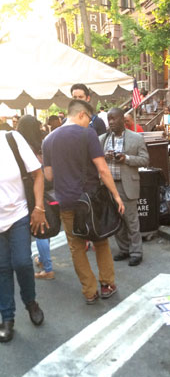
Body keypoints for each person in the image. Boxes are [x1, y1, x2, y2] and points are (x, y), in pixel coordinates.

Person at [42, 99, 125, 304]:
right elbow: (102, 169)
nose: (89, 123)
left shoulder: (48, 140)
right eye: (88, 119)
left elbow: (49, 176)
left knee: (76, 247)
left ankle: (89, 291)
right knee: (100, 240)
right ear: (81, 114)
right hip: (90, 199)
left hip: (66, 201)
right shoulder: (87, 134)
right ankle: (107, 284)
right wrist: (116, 195)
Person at [0, 129, 45, 343]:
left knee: (23, 263)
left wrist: (39, 207)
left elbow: (38, 173)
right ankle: (7, 318)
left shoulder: (11, 139)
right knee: (2, 269)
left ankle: (30, 302)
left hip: (18, 214)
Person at [99, 107, 149, 266]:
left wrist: (126, 158)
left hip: (127, 185)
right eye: (109, 119)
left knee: (131, 221)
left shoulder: (136, 138)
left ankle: (136, 252)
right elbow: (96, 161)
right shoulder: (103, 139)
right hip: (108, 186)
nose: (111, 122)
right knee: (116, 221)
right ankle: (124, 249)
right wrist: (104, 157)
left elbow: (144, 160)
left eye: (114, 118)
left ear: (123, 119)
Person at [17, 115, 55, 281]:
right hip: (45, 190)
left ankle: (47, 267)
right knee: (42, 227)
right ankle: (44, 260)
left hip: (28, 191)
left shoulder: (20, 146)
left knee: (38, 230)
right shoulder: (42, 144)